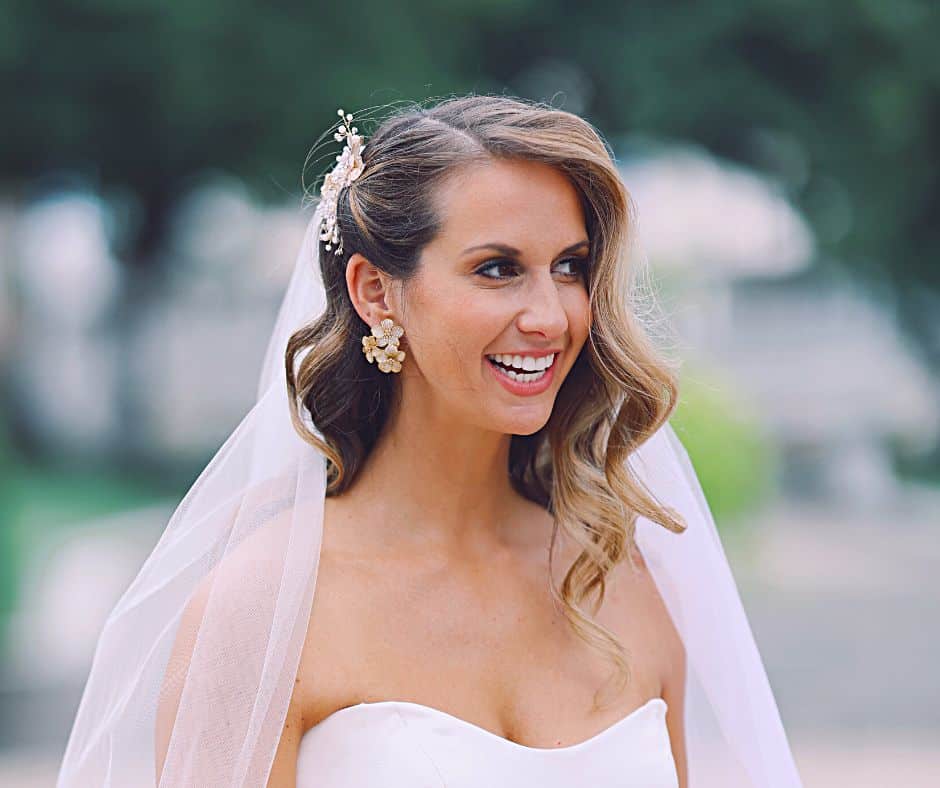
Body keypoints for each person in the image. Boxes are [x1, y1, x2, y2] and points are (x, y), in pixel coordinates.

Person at [56, 95, 804, 787]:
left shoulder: (622, 579)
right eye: (498, 269)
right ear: (375, 292)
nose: (550, 316)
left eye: (569, 268)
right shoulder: (264, 608)